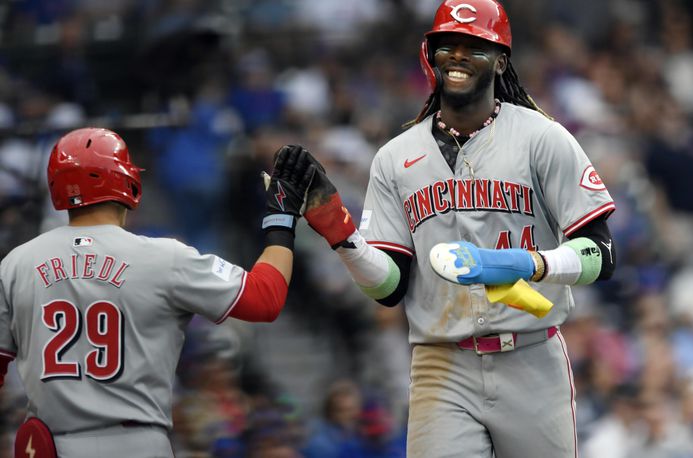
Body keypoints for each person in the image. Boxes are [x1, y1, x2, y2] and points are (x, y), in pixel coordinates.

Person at [290, 0, 617, 456]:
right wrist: (340, 234)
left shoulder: (543, 138)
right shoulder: (395, 157)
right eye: (448, 44)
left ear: (501, 59)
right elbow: (389, 285)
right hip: (442, 363)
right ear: (431, 53)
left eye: (473, 45)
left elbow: (601, 254)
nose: (458, 55)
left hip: (531, 355)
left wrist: (528, 263)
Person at [0, 127, 316, 457]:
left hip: (49, 444)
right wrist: (282, 218)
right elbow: (264, 299)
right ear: (125, 182)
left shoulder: (16, 263)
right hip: (135, 443)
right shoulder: (163, 256)